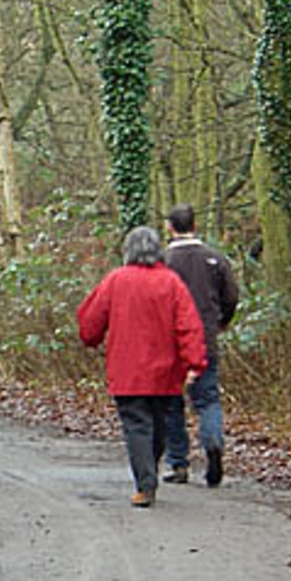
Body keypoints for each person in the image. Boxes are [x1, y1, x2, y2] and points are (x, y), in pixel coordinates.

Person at [77, 226, 207, 508]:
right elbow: (189, 326)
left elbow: (91, 319)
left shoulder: (116, 280)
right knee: (158, 426)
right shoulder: (171, 282)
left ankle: (145, 484)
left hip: (127, 371)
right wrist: (195, 362)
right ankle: (148, 477)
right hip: (165, 372)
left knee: (138, 427)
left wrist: (91, 338)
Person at [160, 204, 239, 487]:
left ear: (170, 227)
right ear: (194, 226)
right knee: (208, 399)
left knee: (171, 401)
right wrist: (220, 322)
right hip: (205, 338)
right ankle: (213, 441)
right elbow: (231, 296)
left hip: (170, 341)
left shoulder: (163, 261)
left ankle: (178, 462)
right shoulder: (215, 259)